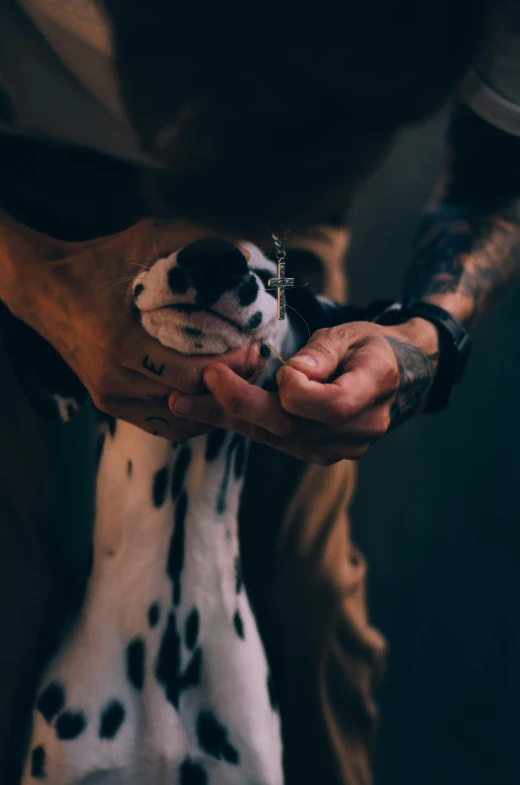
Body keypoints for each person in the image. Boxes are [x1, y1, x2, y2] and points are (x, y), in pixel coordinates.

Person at [0, 0, 519, 783]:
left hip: (284, 230)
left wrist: (423, 344)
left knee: (312, 618)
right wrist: (29, 276)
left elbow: (497, 177)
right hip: (19, 183)